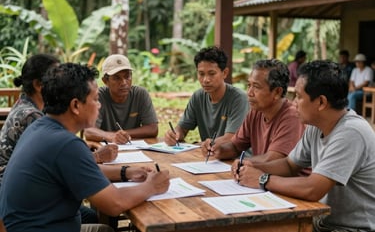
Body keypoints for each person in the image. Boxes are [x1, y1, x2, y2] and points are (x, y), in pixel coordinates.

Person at [0, 63, 170, 232]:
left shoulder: (41, 127)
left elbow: (83, 168)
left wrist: (126, 171)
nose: (99, 105)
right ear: (75, 106)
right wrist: (152, 186)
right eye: (95, 99)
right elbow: (115, 203)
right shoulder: (66, 144)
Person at [233, 60, 375, 231]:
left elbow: (312, 188)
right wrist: (251, 165)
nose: (294, 103)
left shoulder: (351, 133)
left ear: (321, 103)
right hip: (322, 223)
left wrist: (262, 179)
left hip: (352, 229)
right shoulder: (316, 126)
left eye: (299, 97)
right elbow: (289, 165)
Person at [202, 59, 305, 164]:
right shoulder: (256, 112)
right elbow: (235, 146)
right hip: (260, 177)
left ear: (277, 92)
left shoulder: (292, 116)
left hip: (289, 180)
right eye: (248, 85)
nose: (249, 93)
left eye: (256, 87)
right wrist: (218, 149)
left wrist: (243, 162)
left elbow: (273, 160)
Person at [164, 46, 249, 147]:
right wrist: (175, 134)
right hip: (208, 157)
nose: (206, 80)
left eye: (211, 74)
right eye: (201, 74)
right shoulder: (198, 97)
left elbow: (230, 139)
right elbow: (182, 128)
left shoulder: (238, 99)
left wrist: (199, 146)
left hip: (236, 159)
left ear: (225, 73)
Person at [84, 54, 158, 144]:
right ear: (105, 81)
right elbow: (88, 131)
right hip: (105, 150)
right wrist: (112, 136)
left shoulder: (140, 94)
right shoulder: (98, 96)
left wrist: (123, 135)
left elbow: (153, 128)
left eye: (127, 77)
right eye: (116, 78)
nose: (123, 83)